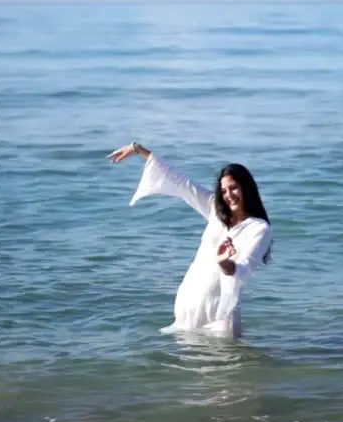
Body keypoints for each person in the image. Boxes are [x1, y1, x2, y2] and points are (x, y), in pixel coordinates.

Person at [108, 141, 273, 339]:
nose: (229, 195)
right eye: (224, 190)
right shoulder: (215, 210)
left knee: (226, 368)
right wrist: (138, 149)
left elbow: (245, 267)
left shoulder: (259, 228)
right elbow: (181, 183)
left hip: (219, 315)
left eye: (234, 188)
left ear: (246, 188)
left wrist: (225, 264)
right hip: (190, 303)